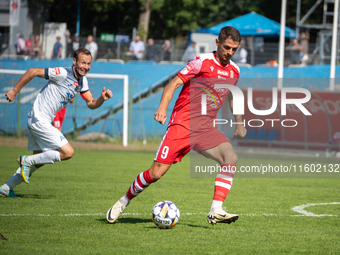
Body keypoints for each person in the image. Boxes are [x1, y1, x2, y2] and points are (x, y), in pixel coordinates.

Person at [106, 26, 247, 225]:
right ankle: (123, 201)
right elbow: (172, 84)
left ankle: (216, 209)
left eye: (234, 49)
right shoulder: (201, 62)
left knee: (230, 157)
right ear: (217, 42)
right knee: (155, 173)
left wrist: (239, 123)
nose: (229, 52)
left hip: (205, 129)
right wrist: (162, 108)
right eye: (226, 47)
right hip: (182, 125)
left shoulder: (234, 70)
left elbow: (233, 96)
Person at [0, 48, 113, 198]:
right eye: (83, 62)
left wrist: (101, 99)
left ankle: (6, 187)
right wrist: (14, 90)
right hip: (39, 119)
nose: (86, 66)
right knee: (68, 152)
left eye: (89, 63)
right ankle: (25, 160)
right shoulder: (63, 73)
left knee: (38, 161)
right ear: (74, 61)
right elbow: (33, 71)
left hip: (40, 120)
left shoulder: (82, 80)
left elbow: (91, 102)